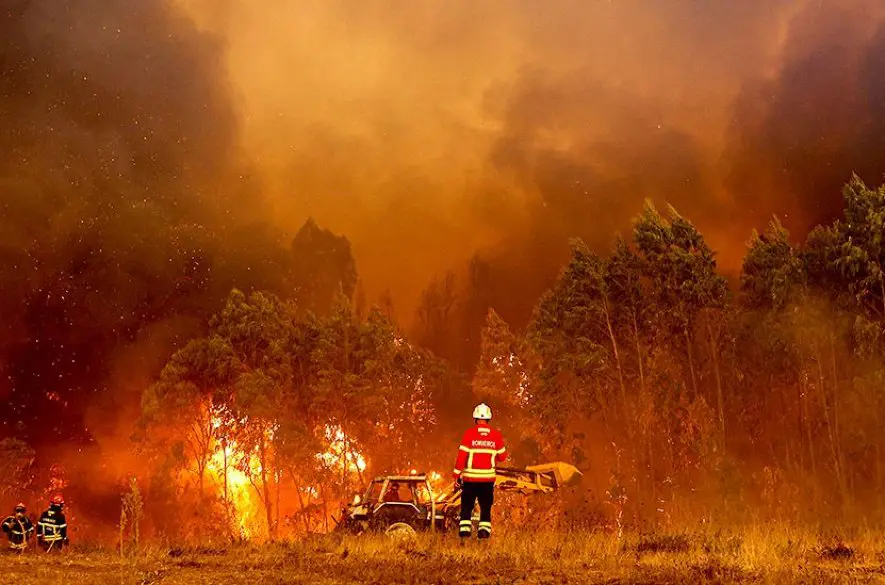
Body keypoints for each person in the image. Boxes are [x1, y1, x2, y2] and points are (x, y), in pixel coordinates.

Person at [452, 403, 506, 539]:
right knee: (485, 507)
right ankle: (483, 534)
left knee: (466, 507)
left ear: (475, 419)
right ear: (489, 419)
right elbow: (502, 456)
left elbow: (461, 457)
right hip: (487, 481)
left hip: (470, 480)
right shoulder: (496, 435)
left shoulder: (469, 434)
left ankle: (464, 534)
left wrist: (456, 475)